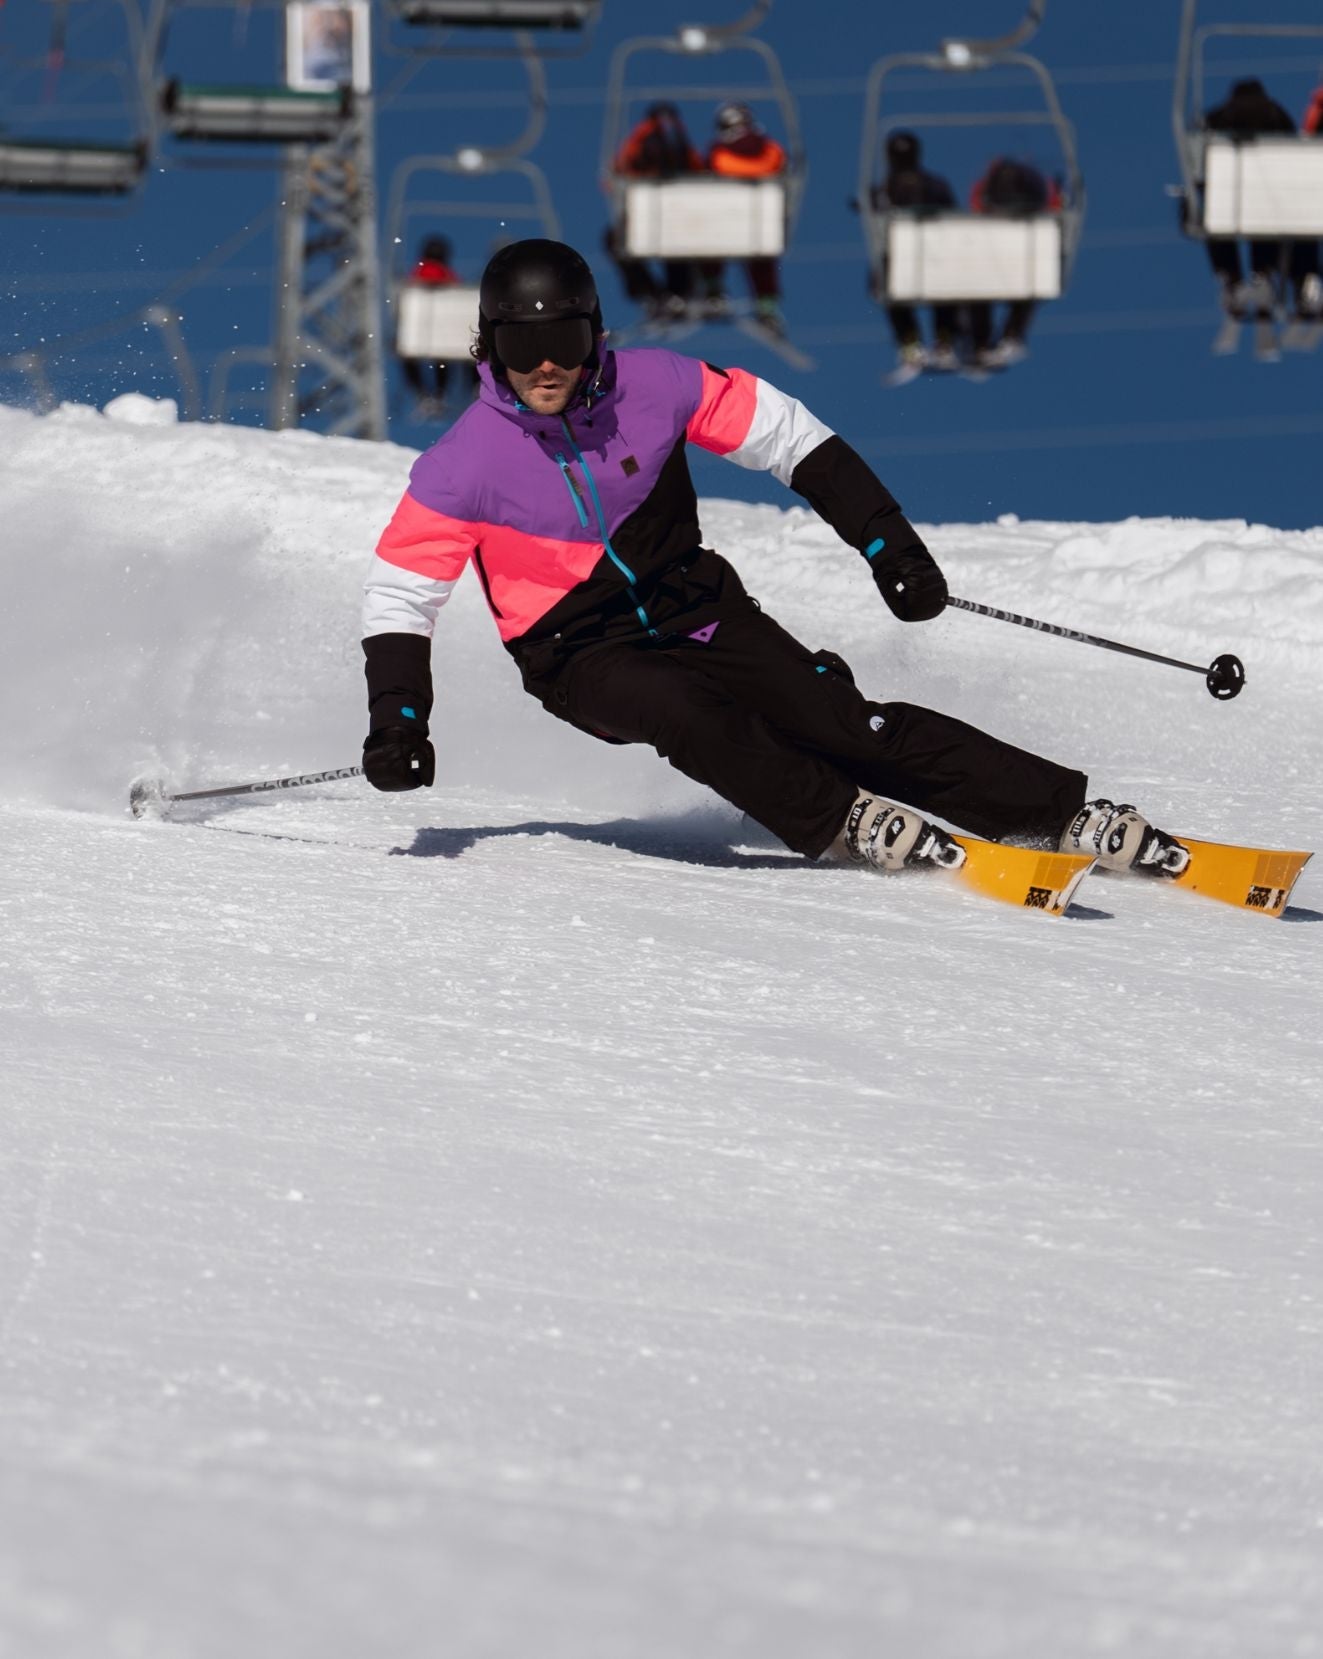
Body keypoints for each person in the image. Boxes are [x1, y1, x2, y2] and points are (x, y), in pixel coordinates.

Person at [358, 237, 1191, 886]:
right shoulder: (462, 463)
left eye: (565, 337)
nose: (547, 363)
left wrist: (886, 543)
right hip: (579, 654)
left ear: (594, 334)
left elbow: (792, 439)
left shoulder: (657, 385)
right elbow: (401, 593)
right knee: (685, 711)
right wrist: (398, 720)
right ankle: (841, 820)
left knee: (840, 720)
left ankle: (1062, 815)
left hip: (697, 604)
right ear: (488, 343)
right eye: (523, 341)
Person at [1200, 78, 1298, 321]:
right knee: (1264, 216)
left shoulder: (1216, 117)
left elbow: (1199, 155)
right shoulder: (1276, 114)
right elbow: (1293, 148)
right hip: (1266, 192)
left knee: (1217, 221)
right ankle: (1262, 273)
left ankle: (1230, 277)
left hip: (1225, 194)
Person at [870, 130, 962, 373]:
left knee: (892, 290)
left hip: (913, 256)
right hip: (930, 255)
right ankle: (941, 342)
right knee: (937, 293)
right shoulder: (931, 184)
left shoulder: (888, 188)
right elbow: (951, 213)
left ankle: (915, 344)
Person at [605, 101, 705, 319]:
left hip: (649, 215)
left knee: (619, 242)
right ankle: (676, 293)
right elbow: (700, 174)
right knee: (676, 246)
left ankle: (651, 294)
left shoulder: (639, 140)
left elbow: (615, 175)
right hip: (675, 213)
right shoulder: (677, 140)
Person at [965, 156, 1062, 369]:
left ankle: (981, 344)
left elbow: (976, 207)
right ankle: (1011, 336)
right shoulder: (1043, 187)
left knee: (979, 292)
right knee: (1028, 287)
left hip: (993, 251)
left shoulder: (984, 188)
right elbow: (1055, 208)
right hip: (1025, 252)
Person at [702, 102, 788, 336]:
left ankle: (713, 291)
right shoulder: (771, 150)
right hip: (761, 214)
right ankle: (766, 305)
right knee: (761, 254)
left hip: (727, 213)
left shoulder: (719, 152)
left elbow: (711, 173)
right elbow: (782, 169)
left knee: (706, 239)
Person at [397, 235, 479, 417]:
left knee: (412, 358)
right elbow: (457, 298)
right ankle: (467, 389)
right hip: (447, 335)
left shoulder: (417, 274)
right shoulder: (448, 275)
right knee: (450, 358)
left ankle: (424, 394)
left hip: (420, 333)